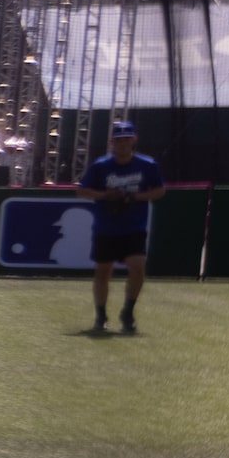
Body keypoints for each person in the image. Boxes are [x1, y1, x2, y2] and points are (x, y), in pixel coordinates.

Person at [77, 119, 165, 335]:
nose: (123, 144)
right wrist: (107, 195)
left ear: (134, 140)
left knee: (137, 266)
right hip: (106, 227)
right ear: (112, 142)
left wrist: (135, 196)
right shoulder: (101, 166)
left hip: (133, 226)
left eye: (127, 139)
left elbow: (160, 190)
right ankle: (100, 315)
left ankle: (128, 312)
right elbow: (81, 190)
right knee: (103, 271)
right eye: (119, 140)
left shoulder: (147, 165)